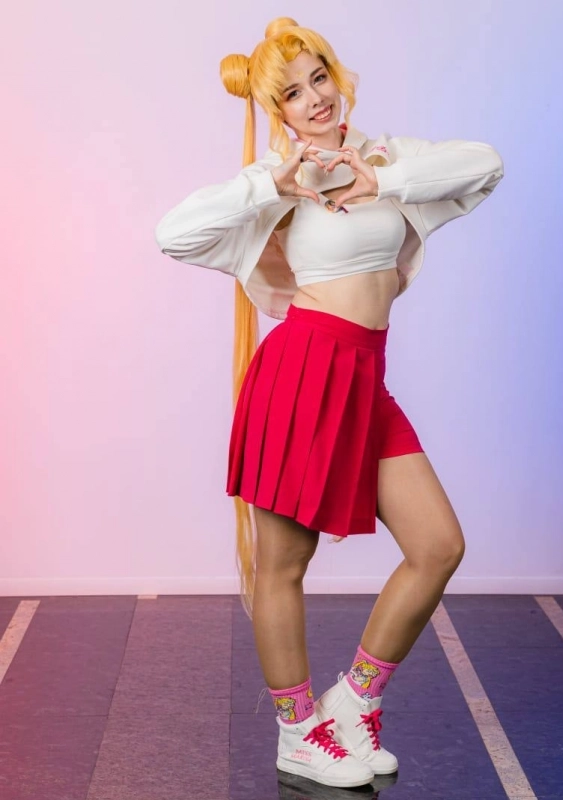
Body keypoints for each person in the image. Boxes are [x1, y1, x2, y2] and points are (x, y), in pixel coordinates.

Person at [154, 17, 504, 790]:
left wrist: (384, 183)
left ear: (337, 76)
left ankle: (353, 703)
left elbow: (486, 165)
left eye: (320, 78)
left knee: (438, 545)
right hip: (302, 375)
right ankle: (296, 732)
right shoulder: (278, 182)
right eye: (292, 93)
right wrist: (271, 185)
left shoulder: (387, 158)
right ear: (274, 111)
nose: (314, 99)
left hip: (365, 380)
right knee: (285, 564)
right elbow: (172, 234)